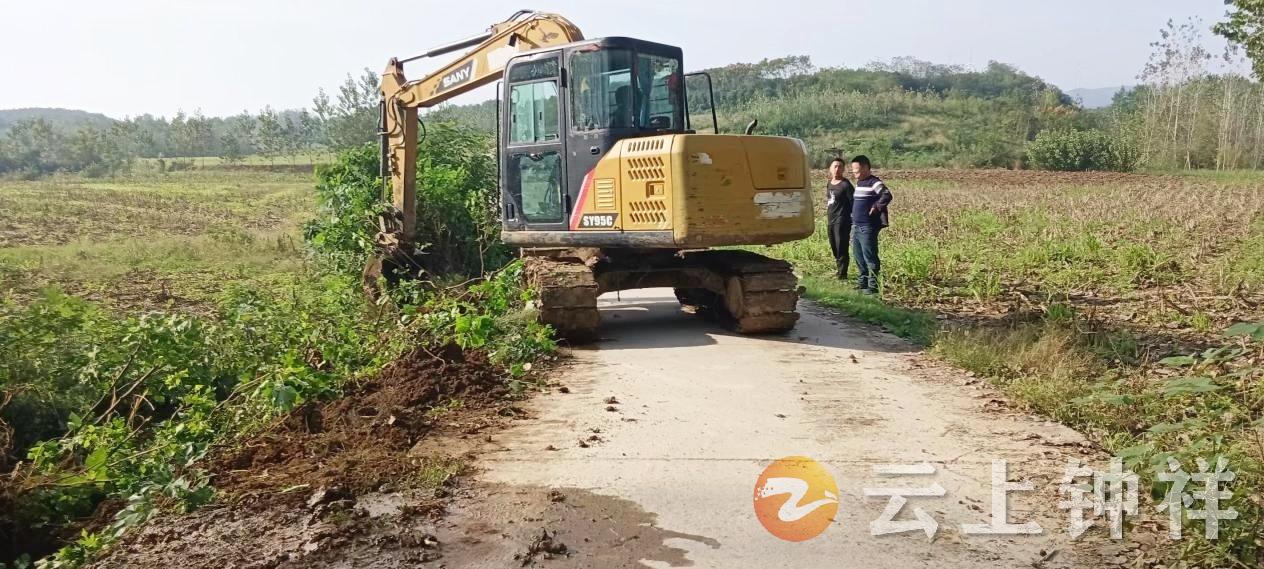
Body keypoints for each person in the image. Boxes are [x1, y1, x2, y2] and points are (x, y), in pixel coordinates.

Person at [849, 155, 893, 295]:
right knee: (858, 256)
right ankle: (862, 283)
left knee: (870, 256)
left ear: (865, 168)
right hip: (856, 226)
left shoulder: (874, 182)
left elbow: (887, 195)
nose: (854, 173)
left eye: (856, 170)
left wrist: (876, 206)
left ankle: (873, 286)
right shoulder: (859, 183)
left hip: (867, 226)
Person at [824, 157, 855, 280]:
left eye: (840, 167)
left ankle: (842, 274)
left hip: (842, 220)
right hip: (831, 219)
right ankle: (839, 270)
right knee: (834, 246)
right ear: (830, 169)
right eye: (835, 166)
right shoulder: (829, 183)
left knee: (841, 246)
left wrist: (852, 218)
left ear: (843, 169)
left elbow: (853, 202)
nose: (837, 169)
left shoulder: (846, 185)